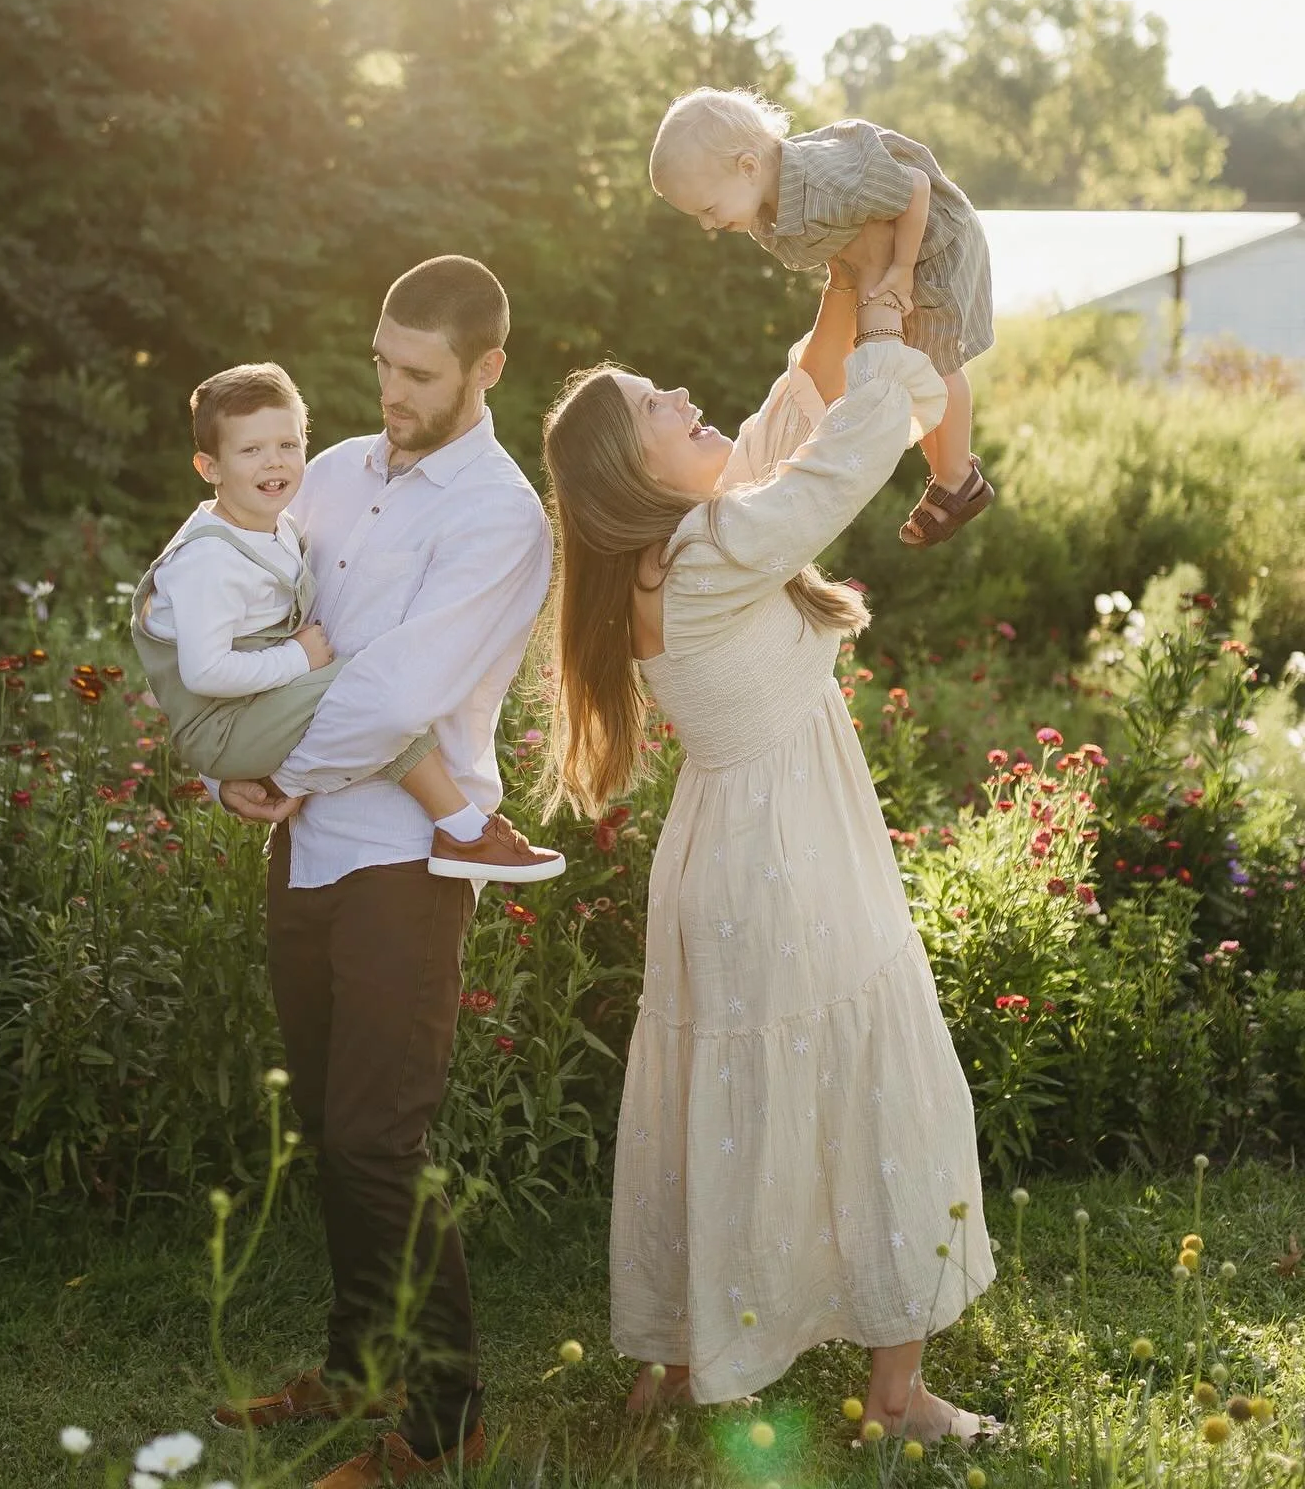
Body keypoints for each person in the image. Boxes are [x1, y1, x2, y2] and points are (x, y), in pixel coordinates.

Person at [539, 278, 998, 1442]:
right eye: (655, 405)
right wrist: (897, 355)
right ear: (627, 471)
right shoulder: (703, 552)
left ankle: (683, 1367)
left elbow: (792, 419)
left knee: (734, 1116)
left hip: (739, 859)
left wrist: (849, 289)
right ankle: (894, 1399)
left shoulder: (679, 547)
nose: (682, 395)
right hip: (782, 866)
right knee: (881, 1089)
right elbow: (834, 472)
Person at [209, 258, 556, 1489]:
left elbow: (400, 692)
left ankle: (449, 1426)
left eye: (418, 373)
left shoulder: (502, 519)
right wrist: (228, 769)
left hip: (411, 857)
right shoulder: (343, 467)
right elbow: (257, 628)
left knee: (376, 1138)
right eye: (380, 363)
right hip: (304, 845)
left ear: (485, 370)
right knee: (324, 1121)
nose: (391, 390)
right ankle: (358, 1368)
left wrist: (284, 767)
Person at [132, 359, 563, 884]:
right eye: (250, 450)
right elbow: (202, 675)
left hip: (380, 838)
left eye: (288, 445)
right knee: (369, 681)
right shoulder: (209, 558)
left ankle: (463, 829)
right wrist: (297, 659)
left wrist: (277, 770)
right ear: (209, 468)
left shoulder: (278, 522)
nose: (276, 463)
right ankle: (465, 830)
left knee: (374, 688)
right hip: (230, 734)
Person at [649, 86, 996, 549]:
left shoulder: (826, 182)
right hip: (895, 252)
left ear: (748, 167)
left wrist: (901, 270)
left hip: (935, 242)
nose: (707, 226)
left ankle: (958, 479)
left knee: (935, 362)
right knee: (912, 367)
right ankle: (944, 474)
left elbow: (915, 186)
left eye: (708, 210)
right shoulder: (765, 212)